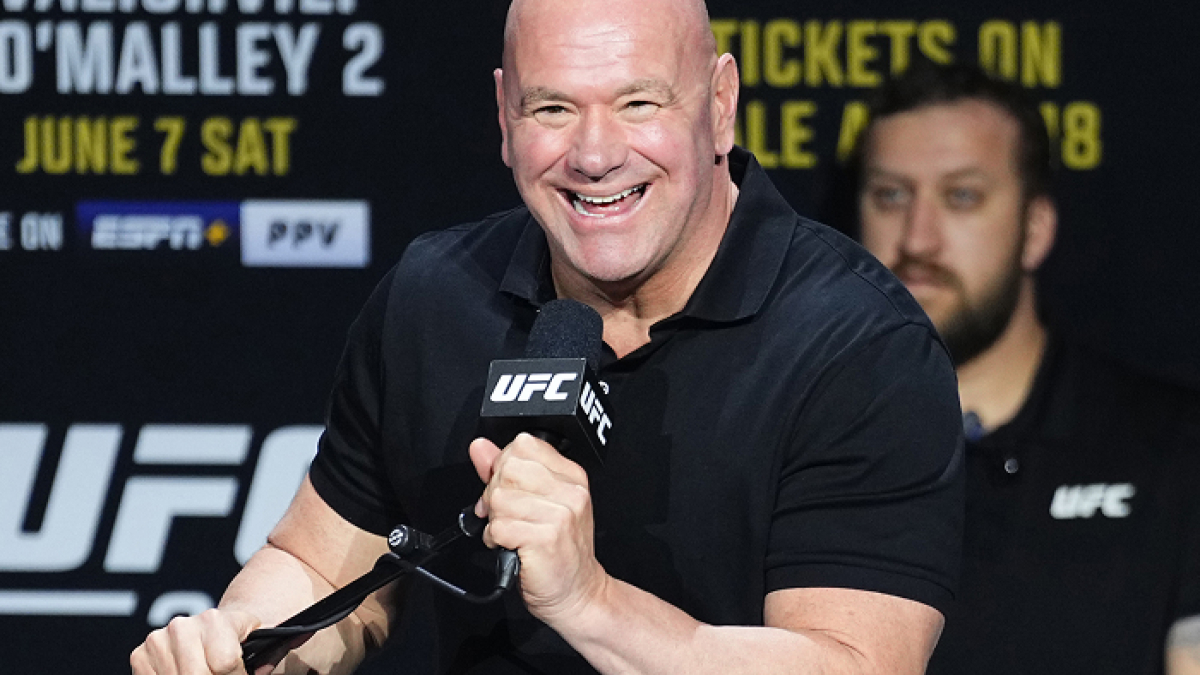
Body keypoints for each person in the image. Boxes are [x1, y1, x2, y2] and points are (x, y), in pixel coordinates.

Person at [131, 1, 964, 673]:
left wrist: (590, 602)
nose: (595, 154)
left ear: (719, 105)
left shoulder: (860, 345)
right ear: (504, 115)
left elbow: (853, 663)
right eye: (553, 108)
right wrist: (243, 641)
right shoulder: (435, 297)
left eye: (639, 102)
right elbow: (318, 567)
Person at [853, 61, 1200, 675]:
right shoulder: (804, 443)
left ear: (1035, 229)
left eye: (962, 196)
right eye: (890, 195)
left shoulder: (1173, 450)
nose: (918, 240)